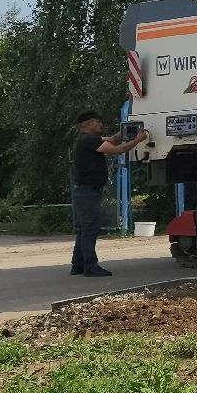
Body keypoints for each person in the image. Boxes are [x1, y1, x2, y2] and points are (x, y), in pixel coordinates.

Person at [71, 111, 147, 276]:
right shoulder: (89, 140)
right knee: (90, 228)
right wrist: (137, 140)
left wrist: (125, 131)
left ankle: (78, 264)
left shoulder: (86, 140)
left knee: (83, 228)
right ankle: (90, 265)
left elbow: (111, 140)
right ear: (88, 124)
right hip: (88, 191)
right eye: (98, 122)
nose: (100, 125)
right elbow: (118, 149)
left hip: (84, 191)